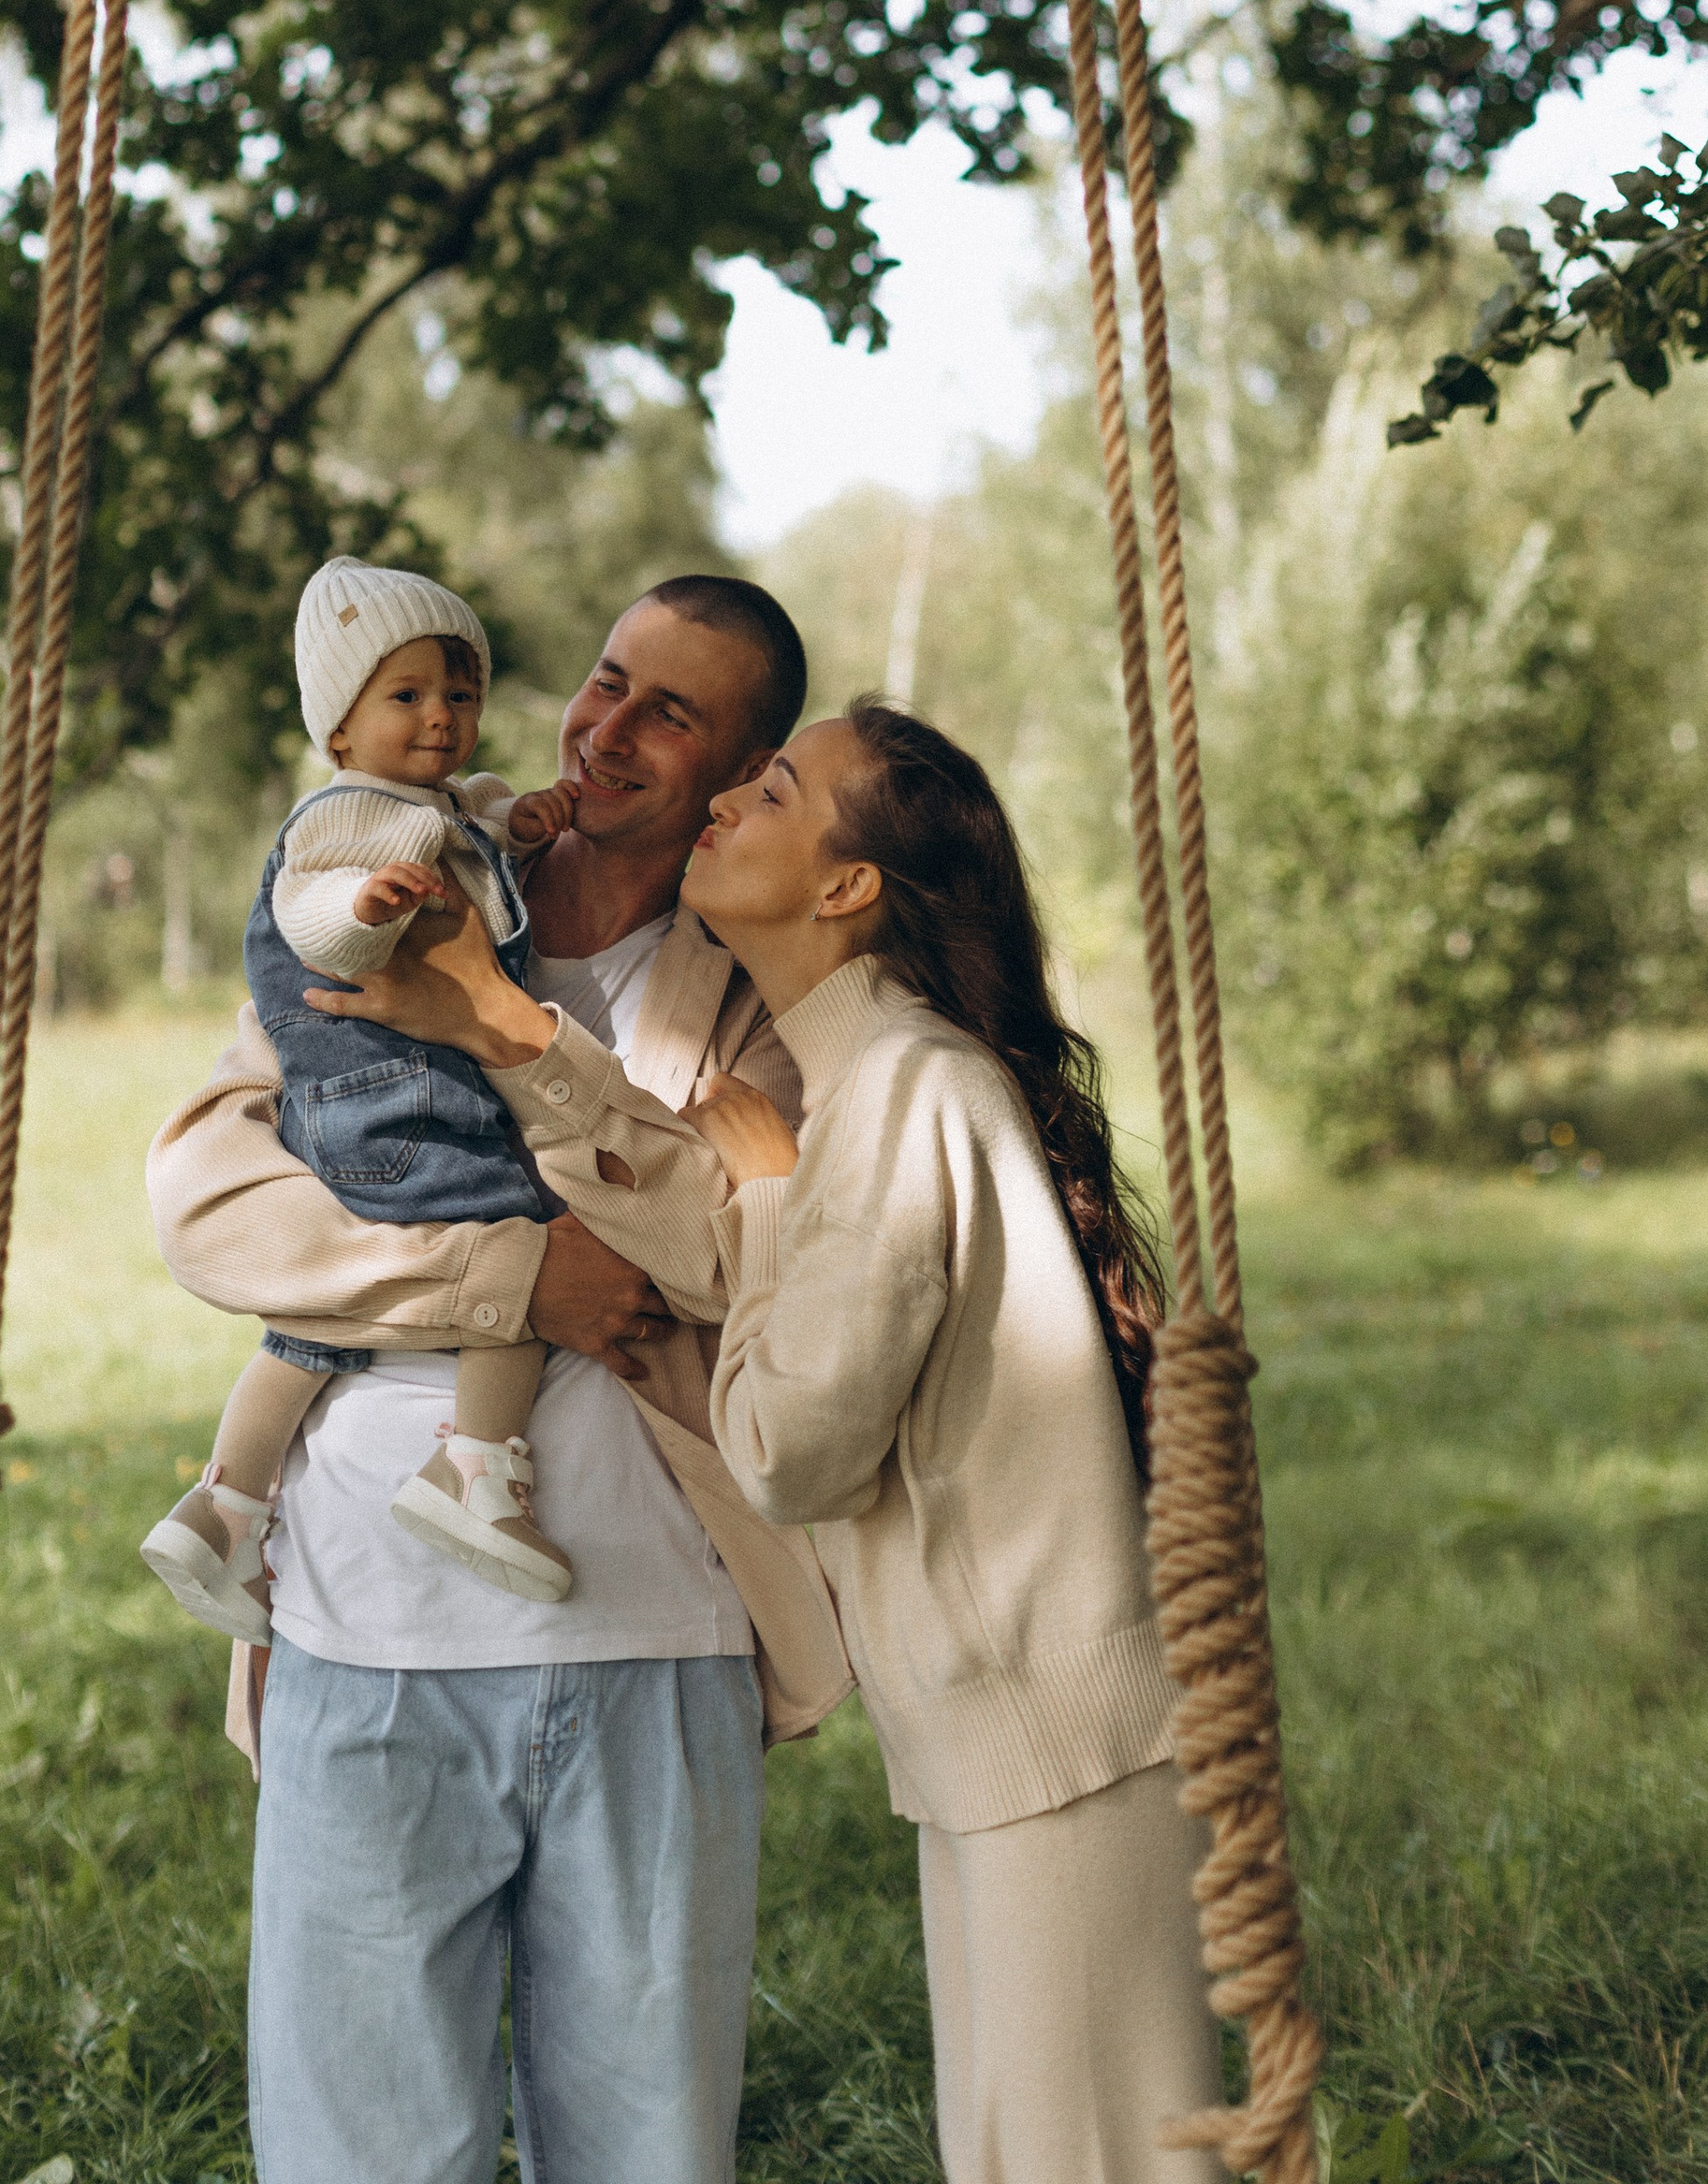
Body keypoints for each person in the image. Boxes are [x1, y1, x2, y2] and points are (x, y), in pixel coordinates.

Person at [330, 695, 1223, 2184]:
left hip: (1056, 1734)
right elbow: (714, 1237)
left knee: (1086, 2157)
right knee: (1027, 2149)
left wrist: (762, 1195)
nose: (730, 799)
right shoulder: (858, 1086)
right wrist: (503, 1030)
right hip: (1014, 1731)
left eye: (778, 787)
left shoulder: (902, 1095)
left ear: (846, 886)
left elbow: (788, 1441)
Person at [146, 575, 852, 2184]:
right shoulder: (392, 875)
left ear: (743, 768)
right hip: (363, 1623)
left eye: (670, 711)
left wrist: (513, 1030)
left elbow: (751, 1255)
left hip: (658, 1643)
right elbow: (210, 1199)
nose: (604, 729)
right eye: (605, 681)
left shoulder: (773, 991)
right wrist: (518, 1275)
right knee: (362, 2151)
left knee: (647, 2149)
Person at [140, 556, 586, 1630]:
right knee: (521, 1251)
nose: (441, 716)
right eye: (407, 695)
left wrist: (523, 824)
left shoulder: (428, 804)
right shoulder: (344, 826)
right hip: (400, 1099)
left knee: (313, 1326)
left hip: (353, 1113)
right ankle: (474, 1474)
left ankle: (223, 1506)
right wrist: (368, 911)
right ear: (338, 727)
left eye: (459, 693)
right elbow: (317, 917)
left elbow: (478, 819)